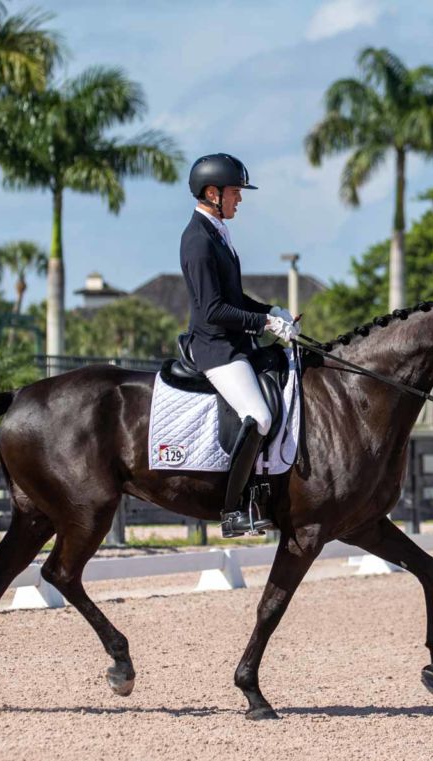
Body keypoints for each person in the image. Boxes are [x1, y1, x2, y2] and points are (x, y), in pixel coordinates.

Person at [179, 153, 300, 538]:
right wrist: (265, 323)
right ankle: (233, 511)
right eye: (235, 192)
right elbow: (214, 309)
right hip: (215, 348)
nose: (240, 200)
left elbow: (234, 296)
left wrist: (271, 310)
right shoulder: (197, 239)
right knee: (259, 416)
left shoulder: (217, 232)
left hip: (236, 343)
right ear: (212, 193)